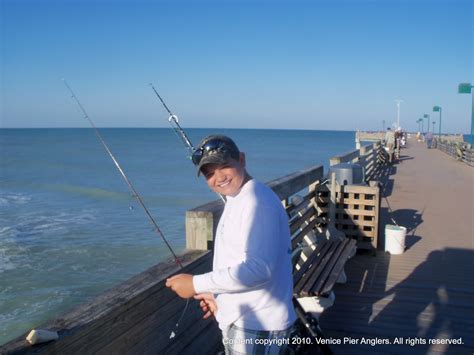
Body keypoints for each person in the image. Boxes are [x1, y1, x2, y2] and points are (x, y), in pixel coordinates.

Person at [166, 135, 296, 354]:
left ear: (242, 159)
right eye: (209, 173)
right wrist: (217, 296)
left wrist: (196, 284)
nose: (218, 177)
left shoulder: (258, 204)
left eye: (225, 166)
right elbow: (240, 259)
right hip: (246, 321)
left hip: (258, 326)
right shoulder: (239, 197)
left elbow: (259, 269)